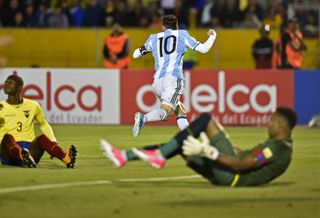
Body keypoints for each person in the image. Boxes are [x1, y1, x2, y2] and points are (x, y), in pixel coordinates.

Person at [101, 107, 297, 187]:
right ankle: (125, 156)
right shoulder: (281, 147)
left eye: (271, 121)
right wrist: (222, 143)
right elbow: (244, 156)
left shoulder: (276, 149)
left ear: (280, 125)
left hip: (231, 175)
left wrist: (208, 150)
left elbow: (241, 165)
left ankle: (159, 155)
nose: (268, 124)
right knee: (182, 143)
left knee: (206, 119)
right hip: (227, 176)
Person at [132, 15, 217, 137]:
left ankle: (189, 137)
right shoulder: (182, 35)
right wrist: (213, 36)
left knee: (180, 110)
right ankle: (143, 118)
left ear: (162, 26)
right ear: (176, 26)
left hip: (157, 83)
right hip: (172, 80)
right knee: (166, 112)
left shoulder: (154, 38)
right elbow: (204, 49)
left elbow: (135, 54)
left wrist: (146, 49)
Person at [0, 75, 77, 168]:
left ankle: (66, 158)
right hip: (9, 153)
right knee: (8, 137)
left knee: (42, 139)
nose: (6, 84)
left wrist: (53, 142)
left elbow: (43, 124)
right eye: (6, 82)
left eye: (10, 83)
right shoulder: (1, 107)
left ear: (20, 87)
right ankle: (22, 156)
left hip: (30, 150)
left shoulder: (33, 105)